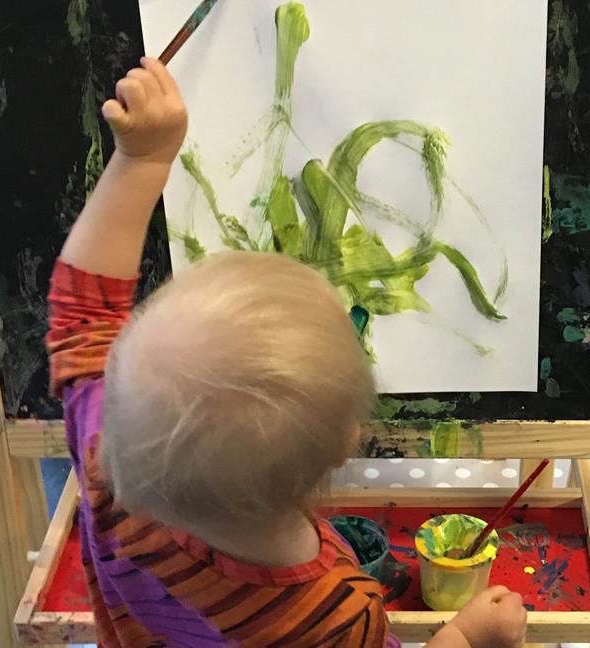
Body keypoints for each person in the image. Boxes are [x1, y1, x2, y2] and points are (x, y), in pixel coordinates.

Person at [47, 56, 528, 648]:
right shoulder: (331, 617)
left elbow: (82, 310)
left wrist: (140, 160)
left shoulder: (106, 462)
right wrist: (470, 637)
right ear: (345, 442)